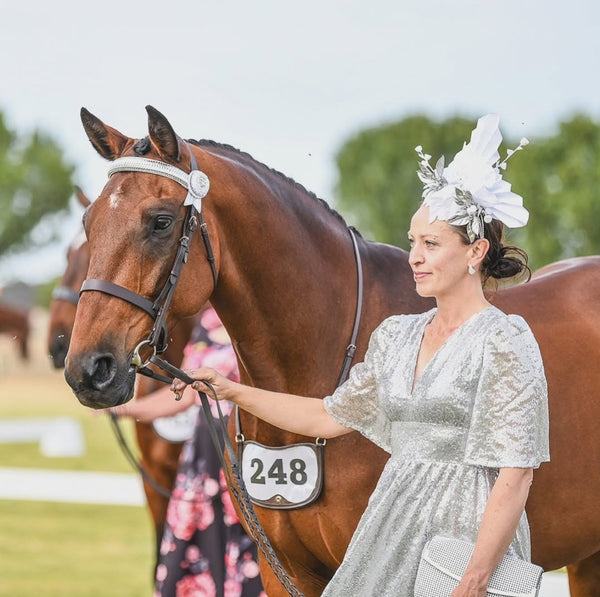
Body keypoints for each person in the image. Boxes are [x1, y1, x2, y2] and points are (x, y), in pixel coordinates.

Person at [171, 114, 550, 597]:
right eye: (413, 241)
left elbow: (516, 475)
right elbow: (328, 416)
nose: (414, 255)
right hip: (389, 530)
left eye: (431, 244)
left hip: (466, 542)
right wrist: (231, 390)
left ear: (475, 252)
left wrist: (474, 578)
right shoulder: (397, 336)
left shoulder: (506, 341)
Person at [111, 305, 266, 597]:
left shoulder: (253, 315)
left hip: (244, 452)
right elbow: (183, 396)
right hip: (204, 457)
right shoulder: (206, 323)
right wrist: (125, 409)